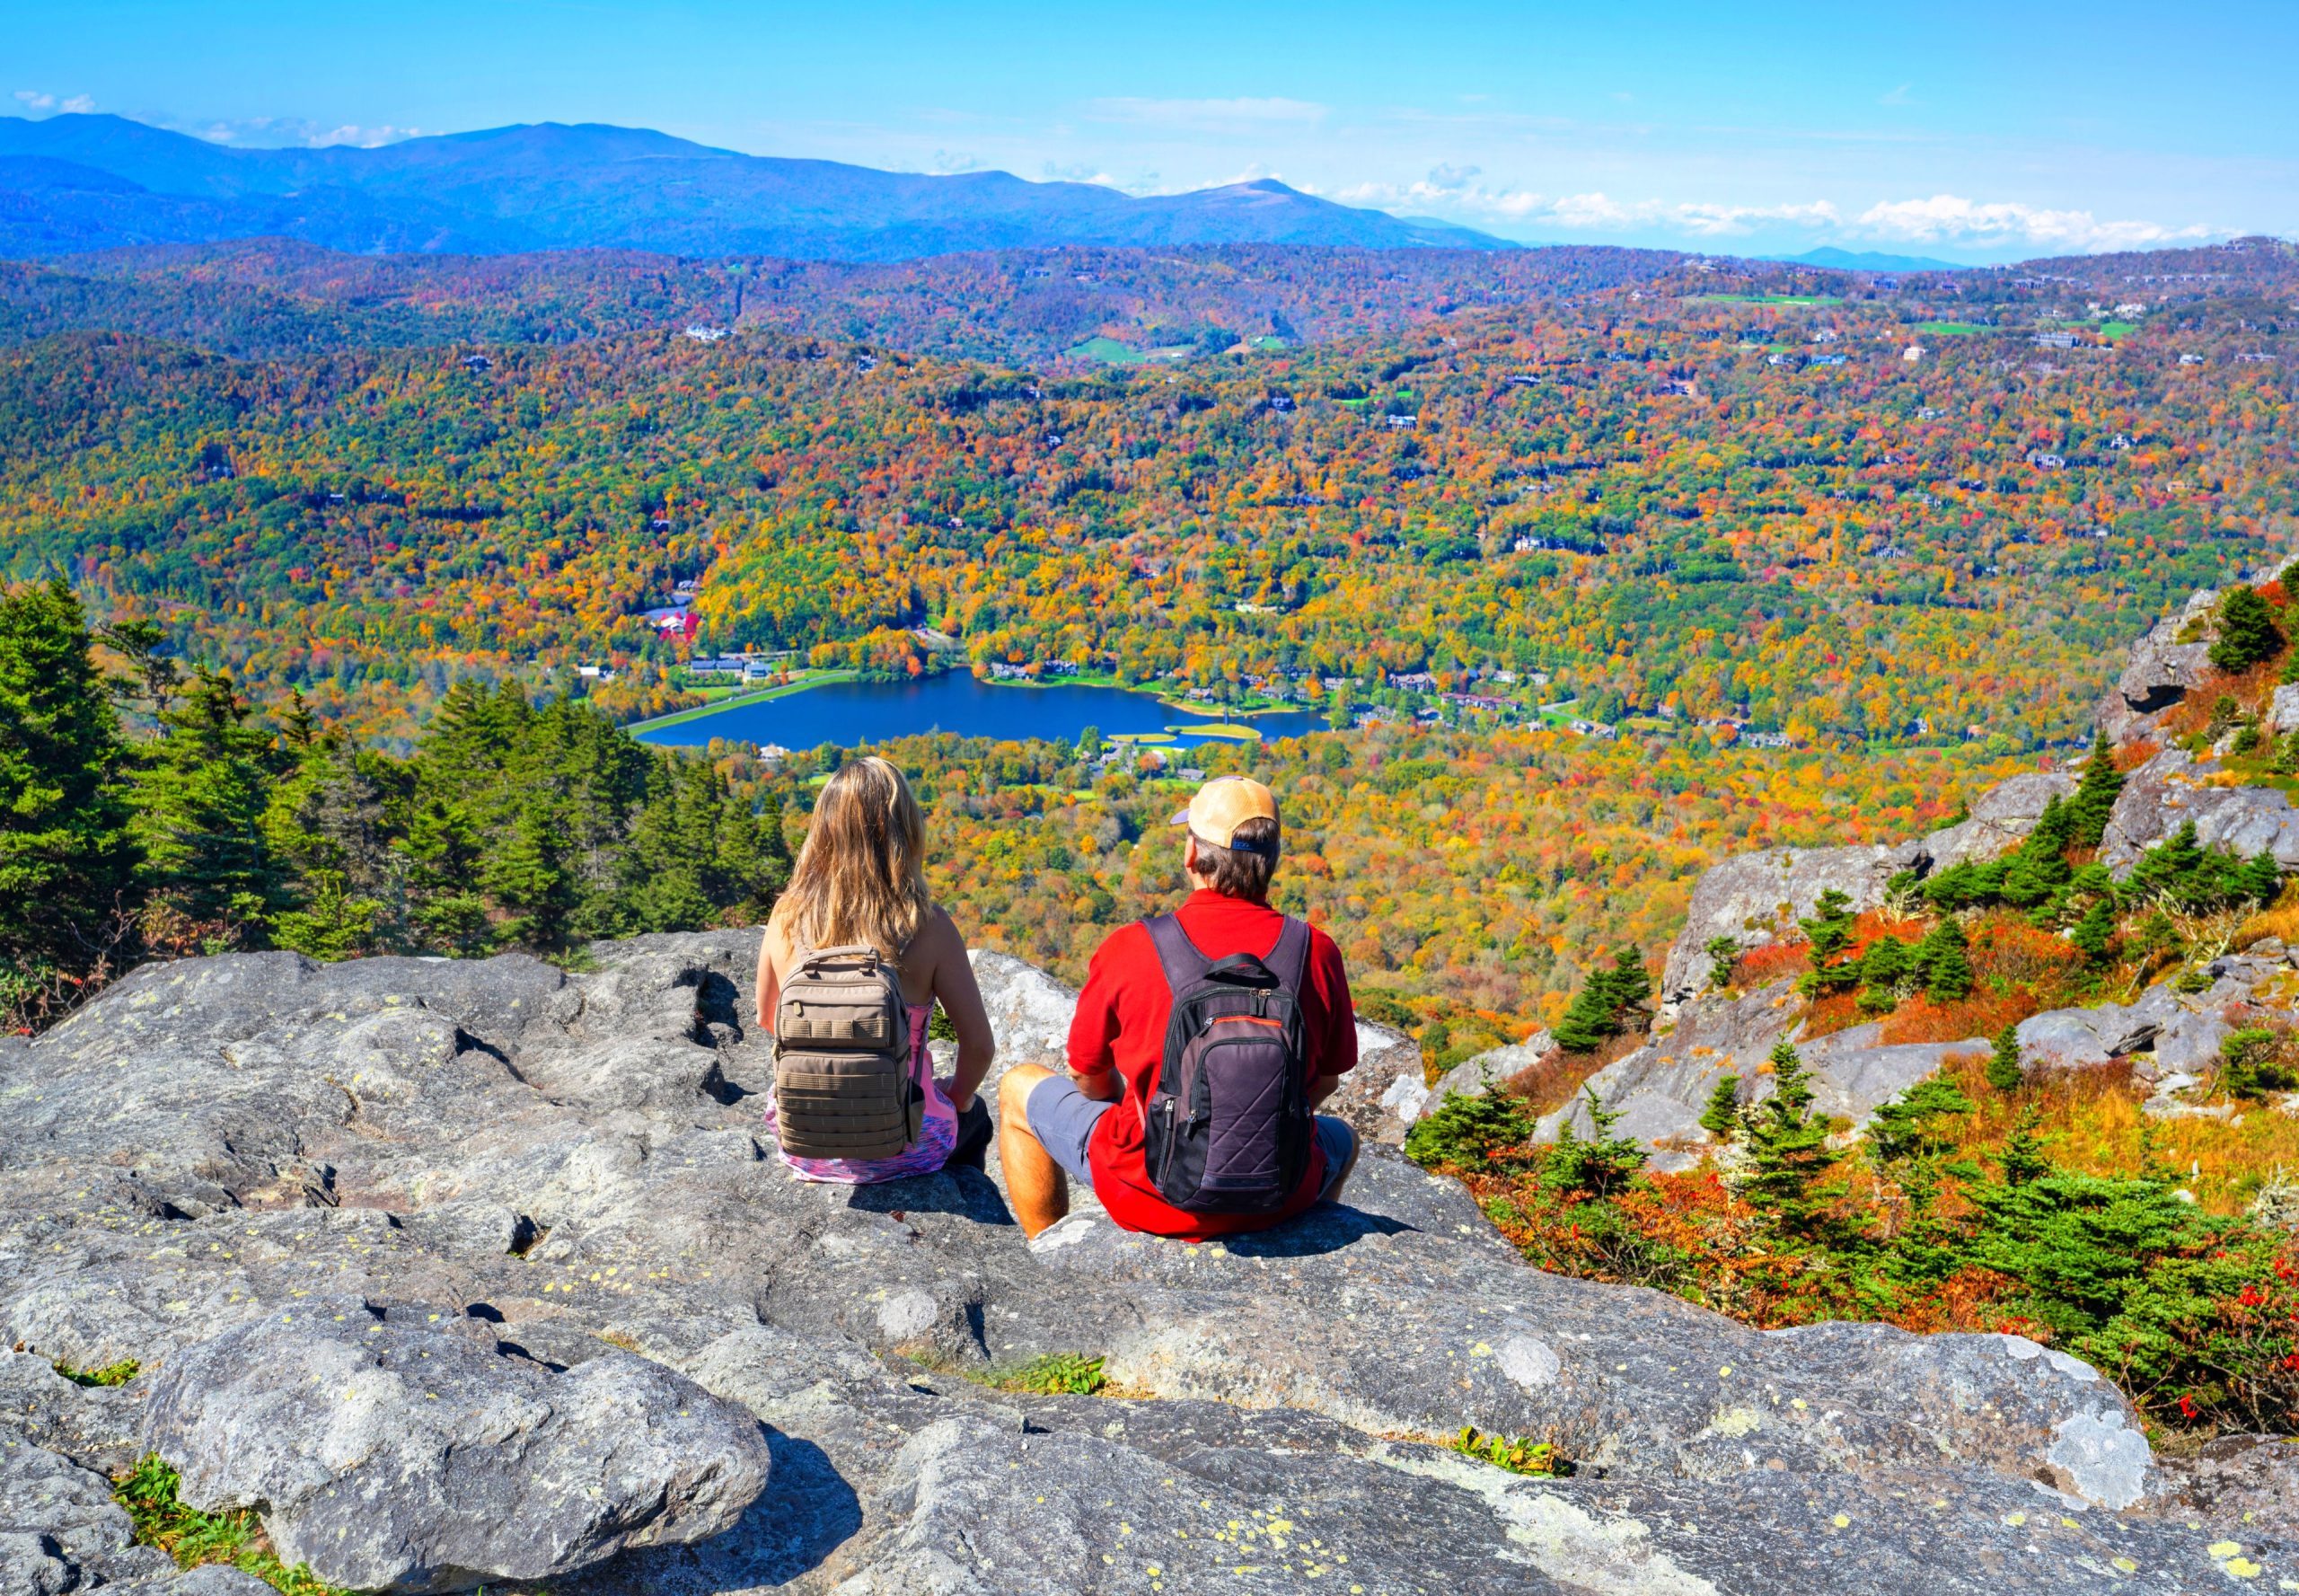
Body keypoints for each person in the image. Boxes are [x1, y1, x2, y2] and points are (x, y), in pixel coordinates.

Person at [999, 774, 1360, 1240]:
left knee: (1017, 1088)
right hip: (1280, 1194)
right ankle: (1296, 1229)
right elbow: (1325, 1080)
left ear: (1192, 855)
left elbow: (1087, 1074)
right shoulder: (1317, 951)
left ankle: (1046, 1248)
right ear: (1271, 861)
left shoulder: (1131, 948)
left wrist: (1133, 1112)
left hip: (1149, 1194)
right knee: (1344, 1139)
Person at [756, 755, 997, 1181]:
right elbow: (978, 1046)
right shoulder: (929, 925)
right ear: (906, 832)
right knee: (975, 1118)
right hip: (908, 1147)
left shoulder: (786, 915)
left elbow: (765, 1017)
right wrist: (955, 1097)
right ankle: (965, 1192)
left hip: (807, 1145)